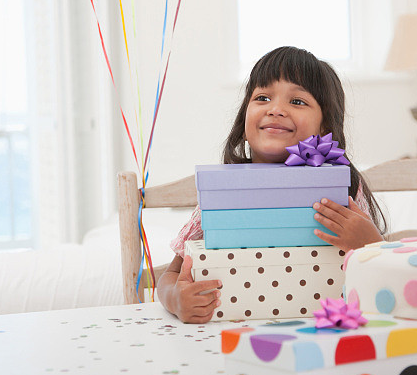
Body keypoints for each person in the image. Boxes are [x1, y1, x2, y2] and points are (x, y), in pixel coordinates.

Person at [158, 46, 387, 323]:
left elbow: (386, 275)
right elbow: (170, 276)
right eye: (263, 97)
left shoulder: (342, 188)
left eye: (298, 102)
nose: (276, 109)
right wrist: (176, 298)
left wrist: (372, 244)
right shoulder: (224, 192)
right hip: (234, 329)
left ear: (324, 126)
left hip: (324, 328)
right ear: (244, 120)